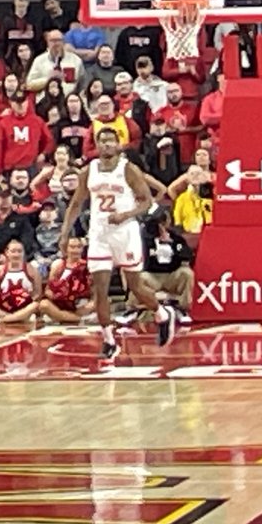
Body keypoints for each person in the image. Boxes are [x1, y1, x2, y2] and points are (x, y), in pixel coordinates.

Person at [60, 127, 177, 360]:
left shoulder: (128, 169)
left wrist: (125, 215)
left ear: (118, 144)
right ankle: (108, 340)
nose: (106, 144)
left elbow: (147, 202)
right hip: (99, 234)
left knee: (136, 287)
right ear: (96, 145)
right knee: (99, 289)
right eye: (102, 141)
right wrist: (64, 233)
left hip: (125, 232)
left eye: (110, 140)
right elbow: (76, 203)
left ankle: (162, 313)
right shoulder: (89, 170)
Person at [39, 237, 95, 324]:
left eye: (79, 247)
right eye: (72, 247)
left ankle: (67, 318)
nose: (76, 250)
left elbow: (95, 292)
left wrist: (88, 304)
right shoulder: (58, 265)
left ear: (82, 249)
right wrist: (57, 296)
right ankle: (76, 319)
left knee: (101, 302)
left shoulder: (89, 266)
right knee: (44, 304)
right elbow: (48, 290)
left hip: (80, 304)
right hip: (60, 304)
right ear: (66, 249)